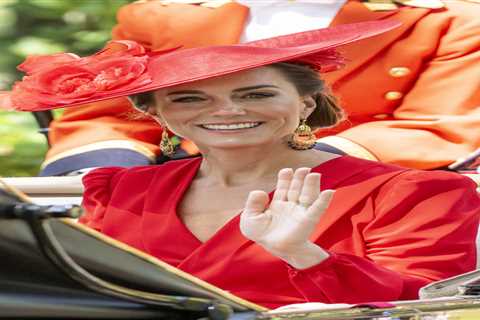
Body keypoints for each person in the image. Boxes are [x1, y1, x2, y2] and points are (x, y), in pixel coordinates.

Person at [4, 21, 480, 308]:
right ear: (157, 113)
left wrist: (306, 256)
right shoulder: (121, 191)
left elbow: (428, 306)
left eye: (256, 94)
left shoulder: (414, 193)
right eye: (190, 98)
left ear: (308, 103)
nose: (227, 112)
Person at [37, 0, 480, 176]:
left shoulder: (451, 19)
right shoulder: (160, 14)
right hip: (177, 185)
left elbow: (434, 126)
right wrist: (101, 175)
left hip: (361, 189)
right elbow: (109, 118)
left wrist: (291, 169)